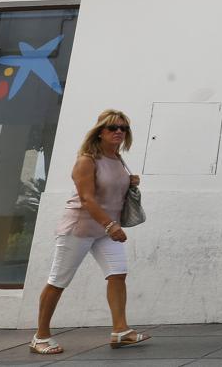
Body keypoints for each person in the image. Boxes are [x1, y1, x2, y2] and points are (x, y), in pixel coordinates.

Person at [29, 109, 151, 355]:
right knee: (58, 281)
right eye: (112, 128)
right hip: (81, 228)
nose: (118, 132)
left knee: (117, 274)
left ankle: (120, 331)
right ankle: (40, 336)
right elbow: (87, 199)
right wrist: (111, 225)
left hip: (105, 230)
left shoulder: (118, 159)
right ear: (100, 132)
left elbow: (111, 189)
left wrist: (130, 182)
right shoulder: (87, 160)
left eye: (123, 128)